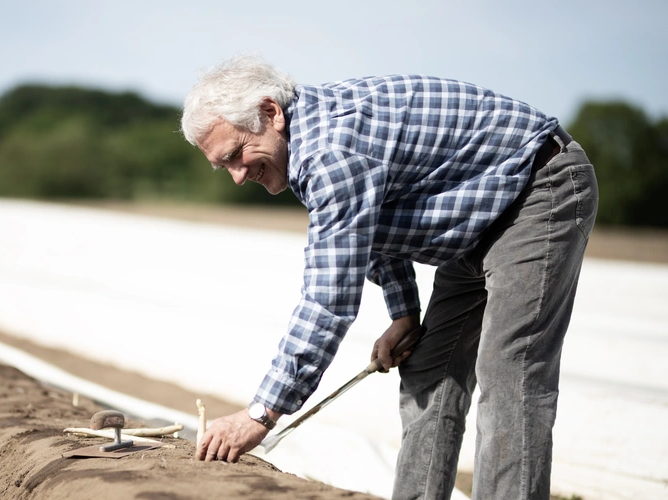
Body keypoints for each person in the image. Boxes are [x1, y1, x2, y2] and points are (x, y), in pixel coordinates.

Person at [180, 55, 597, 500]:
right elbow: (374, 224)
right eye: (224, 166)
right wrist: (404, 313)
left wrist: (262, 414)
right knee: (428, 371)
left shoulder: (330, 152)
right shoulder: (306, 146)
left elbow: (327, 301)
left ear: (270, 113)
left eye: (237, 155)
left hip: (536, 187)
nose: (238, 176)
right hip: (477, 216)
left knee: (508, 371)